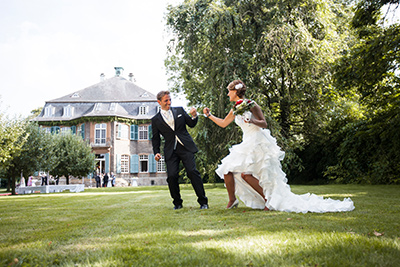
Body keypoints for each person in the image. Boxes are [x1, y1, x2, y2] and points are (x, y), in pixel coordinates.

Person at [203, 80, 355, 213]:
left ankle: (268, 200)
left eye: (228, 91)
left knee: (246, 175)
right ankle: (232, 200)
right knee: (226, 169)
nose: (227, 94)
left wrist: (251, 121)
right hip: (246, 142)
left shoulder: (251, 105)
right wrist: (209, 115)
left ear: (235, 91)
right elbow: (223, 123)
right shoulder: (235, 109)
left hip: (258, 142)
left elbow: (264, 123)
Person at [151, 90, 208, 210]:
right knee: (172, 176)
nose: (169, 102)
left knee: (192, 172)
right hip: (171, 150)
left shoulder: (180, 110)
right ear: (159, 102)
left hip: (186, 147)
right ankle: (177, 203)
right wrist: (156, 152)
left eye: (170, 99)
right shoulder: (155, 119)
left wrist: (194, 116)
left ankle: (203, 202)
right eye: (166, 100)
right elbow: (155, 138)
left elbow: (191, 124)